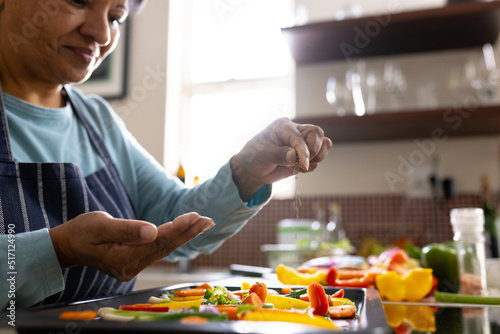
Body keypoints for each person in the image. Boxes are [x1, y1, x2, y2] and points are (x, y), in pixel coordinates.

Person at [0, 0, 332, 310]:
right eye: (78, 1)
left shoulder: (96, 120)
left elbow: (171, 217)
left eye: (115, 17)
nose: (101, 34)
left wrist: (248, 171)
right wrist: (57, 250)